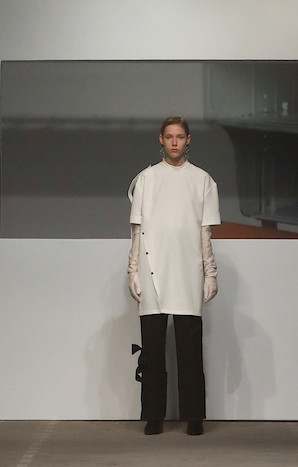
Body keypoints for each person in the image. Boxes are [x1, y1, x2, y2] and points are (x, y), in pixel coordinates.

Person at [127, 115, 220, 436]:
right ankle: (154, 416)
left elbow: (205, 232)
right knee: (152, 349)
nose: (175, 142)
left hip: (188, 269)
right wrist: (132, 269)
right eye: (169, 137)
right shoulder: (146, 179)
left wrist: (210, 273)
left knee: (189, 349)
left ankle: (194, 417)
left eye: (180, 136)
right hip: (151, 268)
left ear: (188, 139)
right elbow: (137, 229)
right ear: (161, 140)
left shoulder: (203, 180)